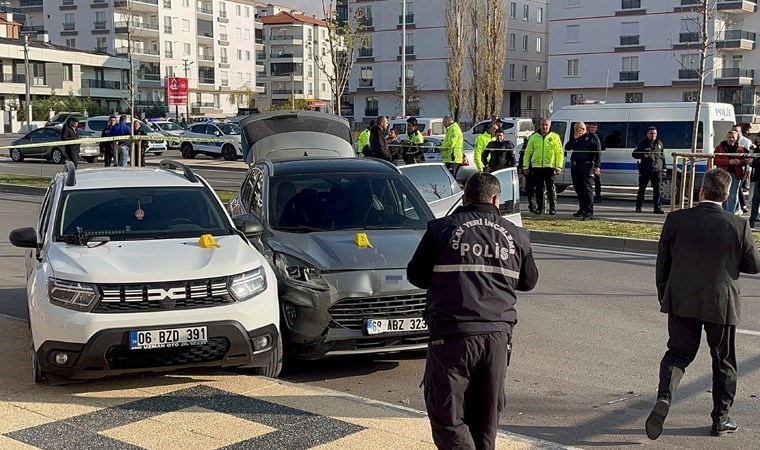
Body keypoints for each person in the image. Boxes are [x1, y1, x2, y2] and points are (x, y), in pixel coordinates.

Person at [406, 172, 538, 450]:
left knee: (447, 416)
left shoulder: (441, 229)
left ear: (464, 198)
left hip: (452, 336)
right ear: (496, 200)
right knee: (486, 418)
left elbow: (416, 275)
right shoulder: (515, 235)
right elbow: (529, 281)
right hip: (497, 338)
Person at [646, 167, 760, 440]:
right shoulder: (737, 225)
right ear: (728, 194)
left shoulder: (676, 220)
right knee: (723, 361)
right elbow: (754, 265)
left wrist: (666, 295)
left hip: (681, 300)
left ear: (701, 191)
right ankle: (721, 418)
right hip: (721, 303)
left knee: (678, 354)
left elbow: (663, 263)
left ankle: (665, 396)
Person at [523, 118, 563, 215]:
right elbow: (528, 152)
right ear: (540, 125)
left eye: (546, 125)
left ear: (549, 126)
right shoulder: (534, 137)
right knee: (539, 189)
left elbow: (559, 153)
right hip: (537, 167)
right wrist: (525, 166)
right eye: (543, 125)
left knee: (550, 188)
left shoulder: (555, 137)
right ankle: (539, 208)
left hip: (550, 167)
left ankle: (552, 208)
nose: (544, 127)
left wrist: (558, 166)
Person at [565, 122, 601, 220]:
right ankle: (582, 209)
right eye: (576, 129)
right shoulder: (576, 138)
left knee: (587, 190)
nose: (578, 131)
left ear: (585, 129)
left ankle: (589, 211)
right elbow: (567, 147)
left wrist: (597, 166)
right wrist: (574, 138)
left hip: (586, 166)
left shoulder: (591, 137)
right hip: (575, 166)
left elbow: (597, 152)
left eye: (580, 129)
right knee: (578, 189)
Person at [713, 130, 749, 214]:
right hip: (723, 175)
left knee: (733, 196)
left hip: (736, 175)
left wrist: (740, 161)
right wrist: (729, 162)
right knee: (723, 195)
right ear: (726, 137)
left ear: (736, 138)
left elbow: (745, 160)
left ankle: (730, 215)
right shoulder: (720, 148)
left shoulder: (741, 148)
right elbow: (715, 160)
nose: (731, 139)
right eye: (729, 137)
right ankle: (724, 213)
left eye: (733, 137)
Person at [632, 126, 666, 214]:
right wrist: (644, 154)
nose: (653, 135)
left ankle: (657, 208)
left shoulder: (659, 143)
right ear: (647, 134)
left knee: (657, 190)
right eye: (651, 133)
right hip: (645, 170)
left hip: (657, 170)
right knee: (642, 189)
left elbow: (662, 156)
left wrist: (664, 168)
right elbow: (634, 154)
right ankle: (638, 206)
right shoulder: (643, 144)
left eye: (654, 133)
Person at [588, 122, 606, 203]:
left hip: (595, 161)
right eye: (592, 127)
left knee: (597, 180)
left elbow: (602, 148)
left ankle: (598, 196)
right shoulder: (587, 135)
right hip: (587, 160)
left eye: (594, 128)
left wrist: (597, 165)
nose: (593, 129)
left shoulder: (598, 137)